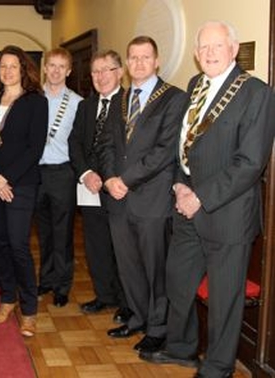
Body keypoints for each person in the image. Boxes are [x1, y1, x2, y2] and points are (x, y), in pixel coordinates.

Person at [140, 21, 275, 377]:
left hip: (227, 214)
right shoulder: (195, 85)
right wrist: (181, 187)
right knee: (178, 280)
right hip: (187, 208)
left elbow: (249, 163)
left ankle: (217, 368)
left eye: (217, 46)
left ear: (233, 49)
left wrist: (200, 197)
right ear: (197, 56)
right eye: (204, 48)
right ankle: (183, 349)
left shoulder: (255, 93)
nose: (210, 53)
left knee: (224, 299)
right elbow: (185, 148)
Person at [98, 36, 187, 353]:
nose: (138, 63)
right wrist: (109, 178)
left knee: (155, 267)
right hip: (118, 199)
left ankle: (158, 327)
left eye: (145, 57)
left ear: (157, 61)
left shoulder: (174, 98)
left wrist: (125, 179)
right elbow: (106, 143)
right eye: (133, 57)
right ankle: (137, 318)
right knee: (128, 266)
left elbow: (165, 151)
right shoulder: (121, 98)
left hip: (152, 199)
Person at [0, 45, 48, 337]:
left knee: (18, 246)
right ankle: (7, 298)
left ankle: (29, 309)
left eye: (12, 66)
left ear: (23, 69)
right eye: (2, 66)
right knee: (1, 243)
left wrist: (6, 179)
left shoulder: (35, 102)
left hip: (22, 185)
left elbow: (35, 148)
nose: (7, 71)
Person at [68, 50, 131, 324]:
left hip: (118, 189)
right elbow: (75, 143)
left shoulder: (131, 104)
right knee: (96, 247)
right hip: (90, 188)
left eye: (106, 70)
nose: (100, 76)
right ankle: (104, 296)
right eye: (95, 71)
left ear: (119, 72)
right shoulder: (86, 106)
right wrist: (86, 173)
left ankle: (127, 303)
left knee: (123, 250)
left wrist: (106, 177)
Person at [35, 47, 82, 308]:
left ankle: (62, 285)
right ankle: (47, 278)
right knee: (43, 232)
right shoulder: (32, 98)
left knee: (62, 233)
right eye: (51, 65)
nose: (55, 71)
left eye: (61, 67)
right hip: (36, 173)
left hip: (62, 173)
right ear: (44, 67)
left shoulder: (76, 102)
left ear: (69, 71)